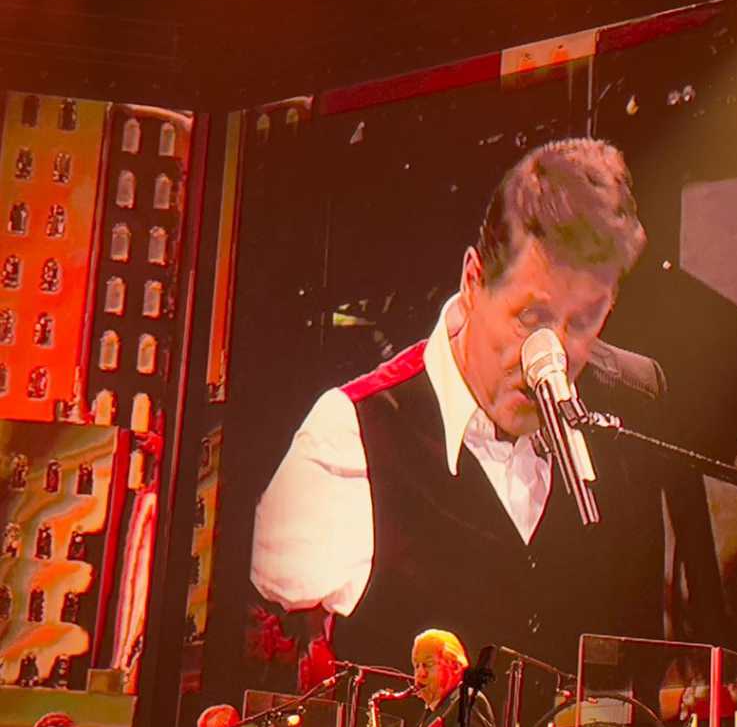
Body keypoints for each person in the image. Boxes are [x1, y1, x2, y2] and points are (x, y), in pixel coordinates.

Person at [250, 139, 668, 671]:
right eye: (532, 318)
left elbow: (645, 653)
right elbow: (251, 653)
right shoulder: (351, 432)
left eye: (584, 322)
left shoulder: (632, 400)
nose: (553, 358)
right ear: (473, 280)